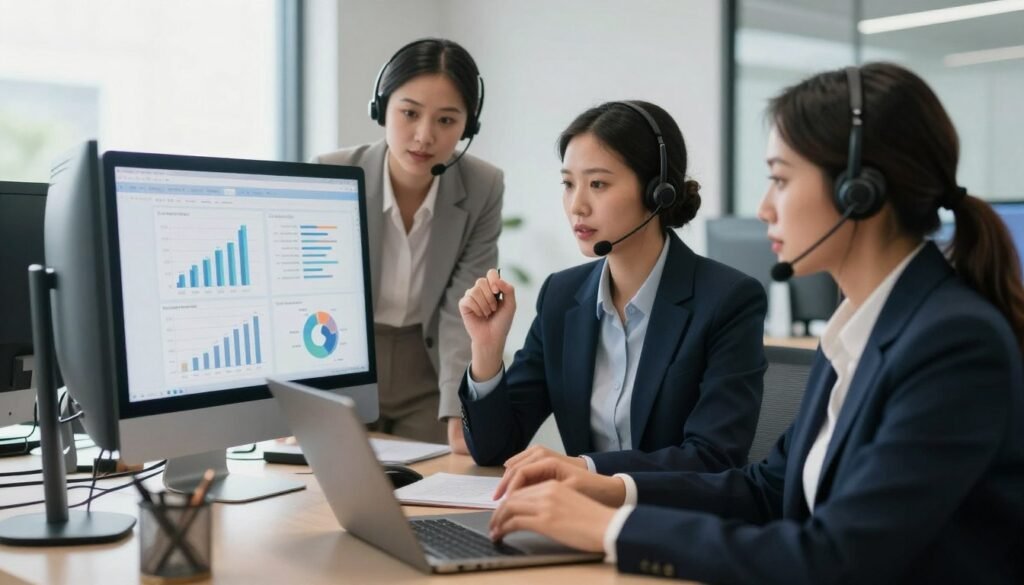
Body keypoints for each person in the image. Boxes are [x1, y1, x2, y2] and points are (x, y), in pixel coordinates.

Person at [486, 63, 1024, 584]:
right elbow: (766, 490)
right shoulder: (857, 332)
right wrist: (606, 486)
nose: (765, 208)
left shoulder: (953, 343)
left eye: (780, 180)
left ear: (859, 192)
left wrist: (611, 529)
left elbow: (838, 559)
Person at [457, 100, 767, 475]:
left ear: (657, 192)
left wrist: (585, 469)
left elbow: (713, 458)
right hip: (578, 509)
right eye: (568, 184)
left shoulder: (728, 300)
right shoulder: (561, 297)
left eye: (598, 184)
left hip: (673, 511)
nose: (577, 205)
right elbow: (494, 450)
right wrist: (487, 350)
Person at [313, 39, 503, 452]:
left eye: (446, 120)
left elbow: (463, 308)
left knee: (432, 481)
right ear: (381, 109)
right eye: (410, 113)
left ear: (468, 127)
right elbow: (309, 295)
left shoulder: (483, 187)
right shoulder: (331, 173)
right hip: (344, 361)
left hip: (427, 369)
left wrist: (458, 410)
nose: (424, 136)